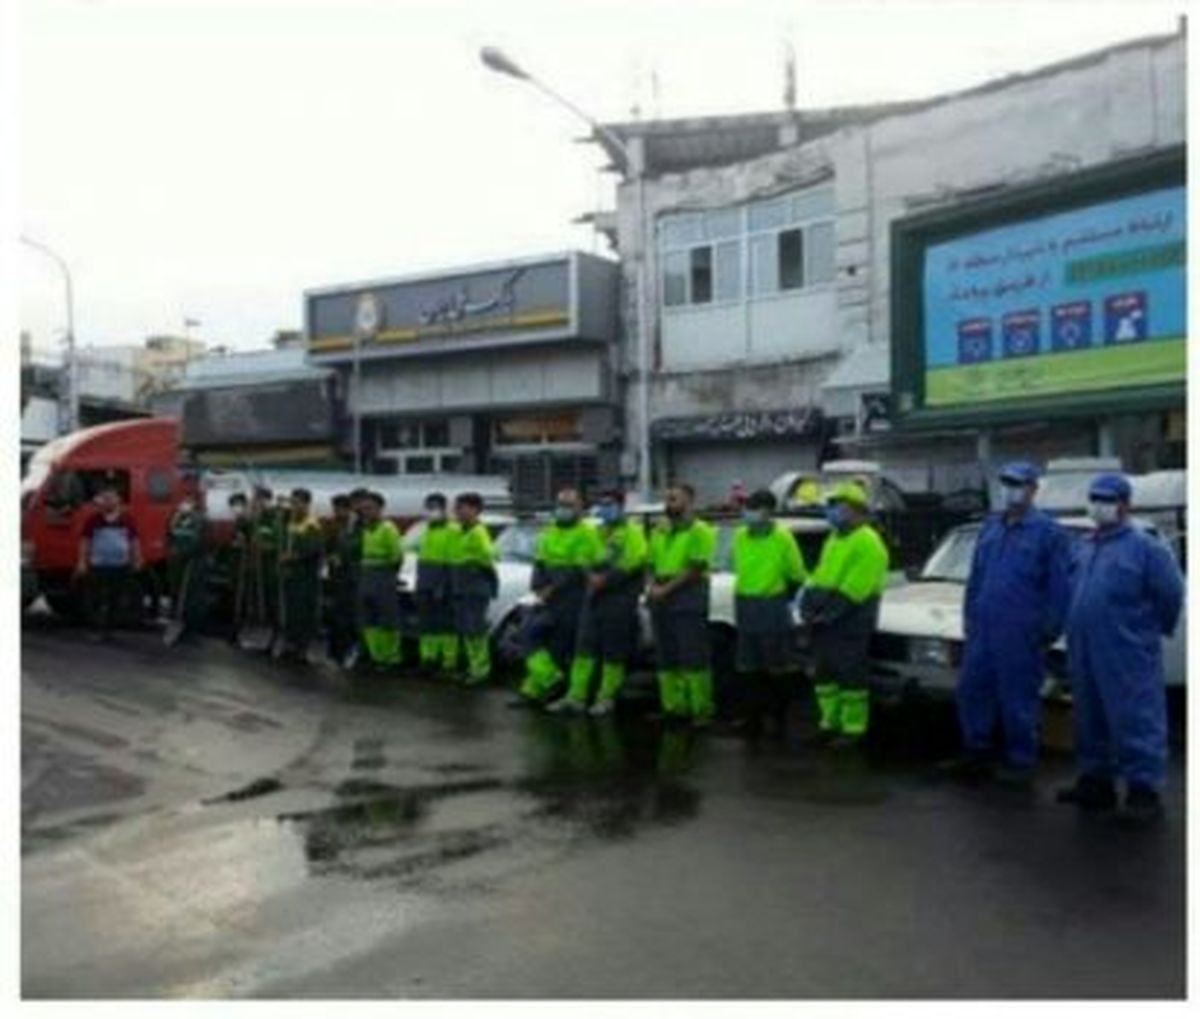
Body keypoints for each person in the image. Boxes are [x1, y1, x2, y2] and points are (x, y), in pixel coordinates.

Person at [1057, 473, 1184, 827]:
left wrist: (1145, 632)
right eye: (1094, 498)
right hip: (1084, 646)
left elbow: (1171, 594)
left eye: (1107, 499)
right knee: (1089, 714)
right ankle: (1096, 783)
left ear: (1126, 505)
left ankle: (1144, 792)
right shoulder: (1085, 545)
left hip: (1126, 648)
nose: (1099, 505)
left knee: (1135, 717)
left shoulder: (1146, 548)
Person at [942, 462, 1071, 785]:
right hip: (983, 628)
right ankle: (976, 753)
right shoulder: (991, 528)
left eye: (1018, 484)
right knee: (973, 690)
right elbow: (976, 579)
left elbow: (1059, 587)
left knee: (1018, 697)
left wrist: (1048, 630)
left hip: (1021, 630)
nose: (1011, 490)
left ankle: (1021, 760)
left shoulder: (1049, 533)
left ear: (1032, 489)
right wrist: (970, 618)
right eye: (1006, 483)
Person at [798, 482, 889, 749]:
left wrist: (822, 614)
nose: (831, 511)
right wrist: (807, 605)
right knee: (825, 676)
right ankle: (829, 723)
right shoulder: (834, 539)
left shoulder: (869, 542)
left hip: (850, 619)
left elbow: (855, 590)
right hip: (825, 619)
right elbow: (819, 576)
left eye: (837, 505)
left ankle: (853, 728)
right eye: (830, 505)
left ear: (855, 509)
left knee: (850, 676)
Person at [548, 489, 648, 718]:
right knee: (584, 649)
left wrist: (605, 579)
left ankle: (606, 698)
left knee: (614, 651)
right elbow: (583, 557)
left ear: (622, 506)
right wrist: (590, 575)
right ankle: (576, 697)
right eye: (602, 504)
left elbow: (633, 562)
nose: (605, 508)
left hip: (620, 599)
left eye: (610, 504)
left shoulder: (633, 532)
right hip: (593, 597)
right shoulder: (597, 531)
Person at [512, 487, 603, 708]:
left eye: (569, 505)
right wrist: (538, 587)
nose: (563, 509)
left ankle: (540, 690)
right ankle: (549, 681)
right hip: (548, 597)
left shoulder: (588, 534)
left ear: (581, 508)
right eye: (560, 504)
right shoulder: (549, 532)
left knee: (560, 646)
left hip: (573, 598)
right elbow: (540, 562)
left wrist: (551, 588)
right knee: (527, 634)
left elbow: (578, 569)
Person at [731, 489, 807, 741]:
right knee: (747, 666)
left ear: (767, 512)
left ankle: (778, 718)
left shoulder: (782, 538)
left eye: (754, 509)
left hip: (771, 605)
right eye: (747, 508)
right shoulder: (741, 536)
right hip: (744, 603)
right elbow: (736, 566)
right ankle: (751, 719)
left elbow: (797, 574)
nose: (748, 514)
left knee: (776, 666)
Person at [647, 483, 719, 727]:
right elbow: (650, 562)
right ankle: (673, 707)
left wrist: (663, 590)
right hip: (660, 596)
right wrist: (651, 586)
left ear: (689, 502)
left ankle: (700, 709)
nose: (669, 504)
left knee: (693, 654)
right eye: (667, 499)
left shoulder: (701, 531)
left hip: (687, 596)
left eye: (674, 499)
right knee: (667, 655)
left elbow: (695, 568)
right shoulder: (660, 530)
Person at [76, 486, 142, 641]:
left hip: (120, 566)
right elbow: (85, 541)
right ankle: (96, 629)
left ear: (118, 501)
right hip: (98, 565)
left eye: (111, 498)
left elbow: (134, 541)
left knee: (116, 599)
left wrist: (138, 559)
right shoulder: (93, 520)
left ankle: (110, 630)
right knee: (96, 599)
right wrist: (81, 562)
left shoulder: (127, 520)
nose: (108, 502)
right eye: (105, 499)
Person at [447, 492, 497, 685]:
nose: (457, 511)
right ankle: (472, 667)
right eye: (457, 507)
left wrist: (472, 566)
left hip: (474, 589)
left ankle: (481, 670)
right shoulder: (462, 531)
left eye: (461, 507)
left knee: (475, 631)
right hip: (462, 587)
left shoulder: (478, 531)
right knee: (467, 631)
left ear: (475, 509)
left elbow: (488, 555)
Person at [356, 491, 403, 670]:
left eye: (370, 508)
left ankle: (391, 657)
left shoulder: (388, 528)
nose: (366, 512)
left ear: (380, 509)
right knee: (369, 619)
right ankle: (377, 655)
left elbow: (396, 557)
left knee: (387, 619)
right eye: (364, 509)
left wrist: (388, 576)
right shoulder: (366, 529)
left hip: (383, 577)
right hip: (367, 576)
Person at [277, 488, 324, 662]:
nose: (294, 506)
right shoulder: (290, 522)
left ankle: (301, 645)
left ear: (306, 504)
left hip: (306, 576)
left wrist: (294, 556)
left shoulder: (311, 524)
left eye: (297, 503)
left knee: (303, 610)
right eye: (292, 502)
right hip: (291, 574)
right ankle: (290, 641)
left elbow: (314, 549)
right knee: (291, 609)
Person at [415, 492, 458, 677]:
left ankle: (448, 662)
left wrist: (443, 585)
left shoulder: (453, 530)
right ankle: (428, 659)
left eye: (435, 507)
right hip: (425, 583)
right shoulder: (427, 531)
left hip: (443, 585)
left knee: (446, 625)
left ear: (444, 508)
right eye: (429, 507)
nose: (432, 511)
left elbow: (452, 561)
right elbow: (422, 560)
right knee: (427, 625)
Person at [165, 493, 210, 639]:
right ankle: (177, 620)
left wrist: (185, 553)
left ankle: (192, 627)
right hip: (178, 562)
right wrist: (173, 551)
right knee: (177, 591)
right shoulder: (176, 518)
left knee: (192, 595)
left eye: (188, 502)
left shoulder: (200, 520)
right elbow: (169, 536)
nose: (184, 505)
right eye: (183, 501)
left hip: (193, 563)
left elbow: (202, 541)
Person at [324, 494, 360, 665]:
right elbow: (328, 546)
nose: (336, 512)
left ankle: (348, 651)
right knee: (335, 616)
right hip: (336, 576)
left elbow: (356, 547)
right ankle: (335, 652)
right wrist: (331, 556)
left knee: (348, 618)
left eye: (339, 509)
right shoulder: (335, 525)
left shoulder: (356, 525)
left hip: (351, 578)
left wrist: (342, 558)